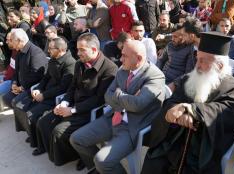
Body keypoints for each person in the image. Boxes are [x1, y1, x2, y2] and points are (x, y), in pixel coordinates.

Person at [141, 32, 234, 174]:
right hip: (175, 142)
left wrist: (192, 109)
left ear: (220, 66)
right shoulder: (189, 78)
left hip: (202, 151)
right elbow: (172, 101)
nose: (197, 65)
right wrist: (174, 111)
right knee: (153, 161)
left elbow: (225, 111)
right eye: (197, 59)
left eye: (203, 61)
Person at [69, 40, 165, 173]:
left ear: (138, 59)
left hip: (132, 127)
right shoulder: (123, 69)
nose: (120, 58)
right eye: (121, 54)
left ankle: (104, 168)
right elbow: (108, 96)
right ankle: (100, 169)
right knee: (76, 139)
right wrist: (125, 99)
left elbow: (137, 105)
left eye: (125, 55)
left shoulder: (155, 76)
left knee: (102, 160)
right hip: (114, 117)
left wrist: (119, 94)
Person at [34, 33, 117, 167]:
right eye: (78, 49)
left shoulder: (110, 69)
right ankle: (70, 153)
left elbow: (99, 100)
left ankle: (80, 156)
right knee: (44, 122)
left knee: (58, 131)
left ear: (94, 50)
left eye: (82, 50)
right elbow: (72, 88)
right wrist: (63, 103)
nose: (78, 53)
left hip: (90, 111)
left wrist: (72, 110)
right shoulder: (80, 64)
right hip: (73, 105)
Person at [13, 37, 76, 148]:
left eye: (51, 48)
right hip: (45, 93)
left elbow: (63, 88)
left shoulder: (70, 64)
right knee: (20, 106)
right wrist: (39, 89)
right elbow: (46, 78)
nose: (48, 51)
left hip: (55, 98)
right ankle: (34, 135)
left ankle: (40, 144)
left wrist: (44, 95)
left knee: (32, 114)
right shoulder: (53, 59)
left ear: (60, 49)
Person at [3, 28, 48, 109]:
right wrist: (14, 83)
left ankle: (24, 116)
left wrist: (21, 88)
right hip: (21, 86)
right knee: (6, 98)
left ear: (19, 40)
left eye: (12, 40)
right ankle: (20, 115)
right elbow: (16, 72)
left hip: (32, 88)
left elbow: (37, 76)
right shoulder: (19, 52)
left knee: (15, 102)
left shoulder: (35, 52)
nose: (11, 43)